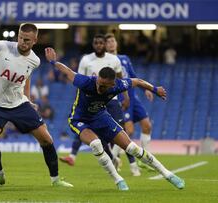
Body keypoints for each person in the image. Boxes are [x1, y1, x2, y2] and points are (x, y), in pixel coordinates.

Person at [45, 47, 185, 190]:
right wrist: (53, 62)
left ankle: (168, 175)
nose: (100, 88)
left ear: (112, 84)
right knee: (96, 144)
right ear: (97, 77)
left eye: (104, 86)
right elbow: (67, 71)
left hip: (101, 116)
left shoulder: (117, 85)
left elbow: (137, 81)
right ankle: (118, 179)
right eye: (99, 83)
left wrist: (155, 89)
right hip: (79, 119)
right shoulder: (86, 82)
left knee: (133, 148)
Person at [0, 24, 73, 187]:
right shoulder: (2, 47)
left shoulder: (35, 60)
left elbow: (26, 77)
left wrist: (28, 99)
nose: (23, 41)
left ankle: (56, 180)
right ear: (18, 35)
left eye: (27, 40)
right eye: (21, 37)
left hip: (18, 104)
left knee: (46, 139)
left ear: (35, 40)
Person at [59, 34, 132, 172]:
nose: (98, 45)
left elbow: (121, 79)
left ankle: (131, 162)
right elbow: (79, 79)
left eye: (101, 43)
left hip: (113, 101)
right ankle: (112, 158)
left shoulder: (114, 59)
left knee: (121, 129)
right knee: (92, 131)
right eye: (96, 43)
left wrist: (126, 97)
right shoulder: (86, 60)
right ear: (93, 44)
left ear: (104, 44)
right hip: (92, 100)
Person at [105, 33, 154, 171]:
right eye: (108, 42)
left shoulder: (124, 58)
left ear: (116, 43)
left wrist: (146, 89)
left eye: (112, 41)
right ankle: (114, 159)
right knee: (128, 131)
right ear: (105, 45)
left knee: (147, 125)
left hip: (133, 97)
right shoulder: (106, 61)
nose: (111, 43)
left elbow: (133, 76)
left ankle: (145, 158)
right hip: (121, 98)